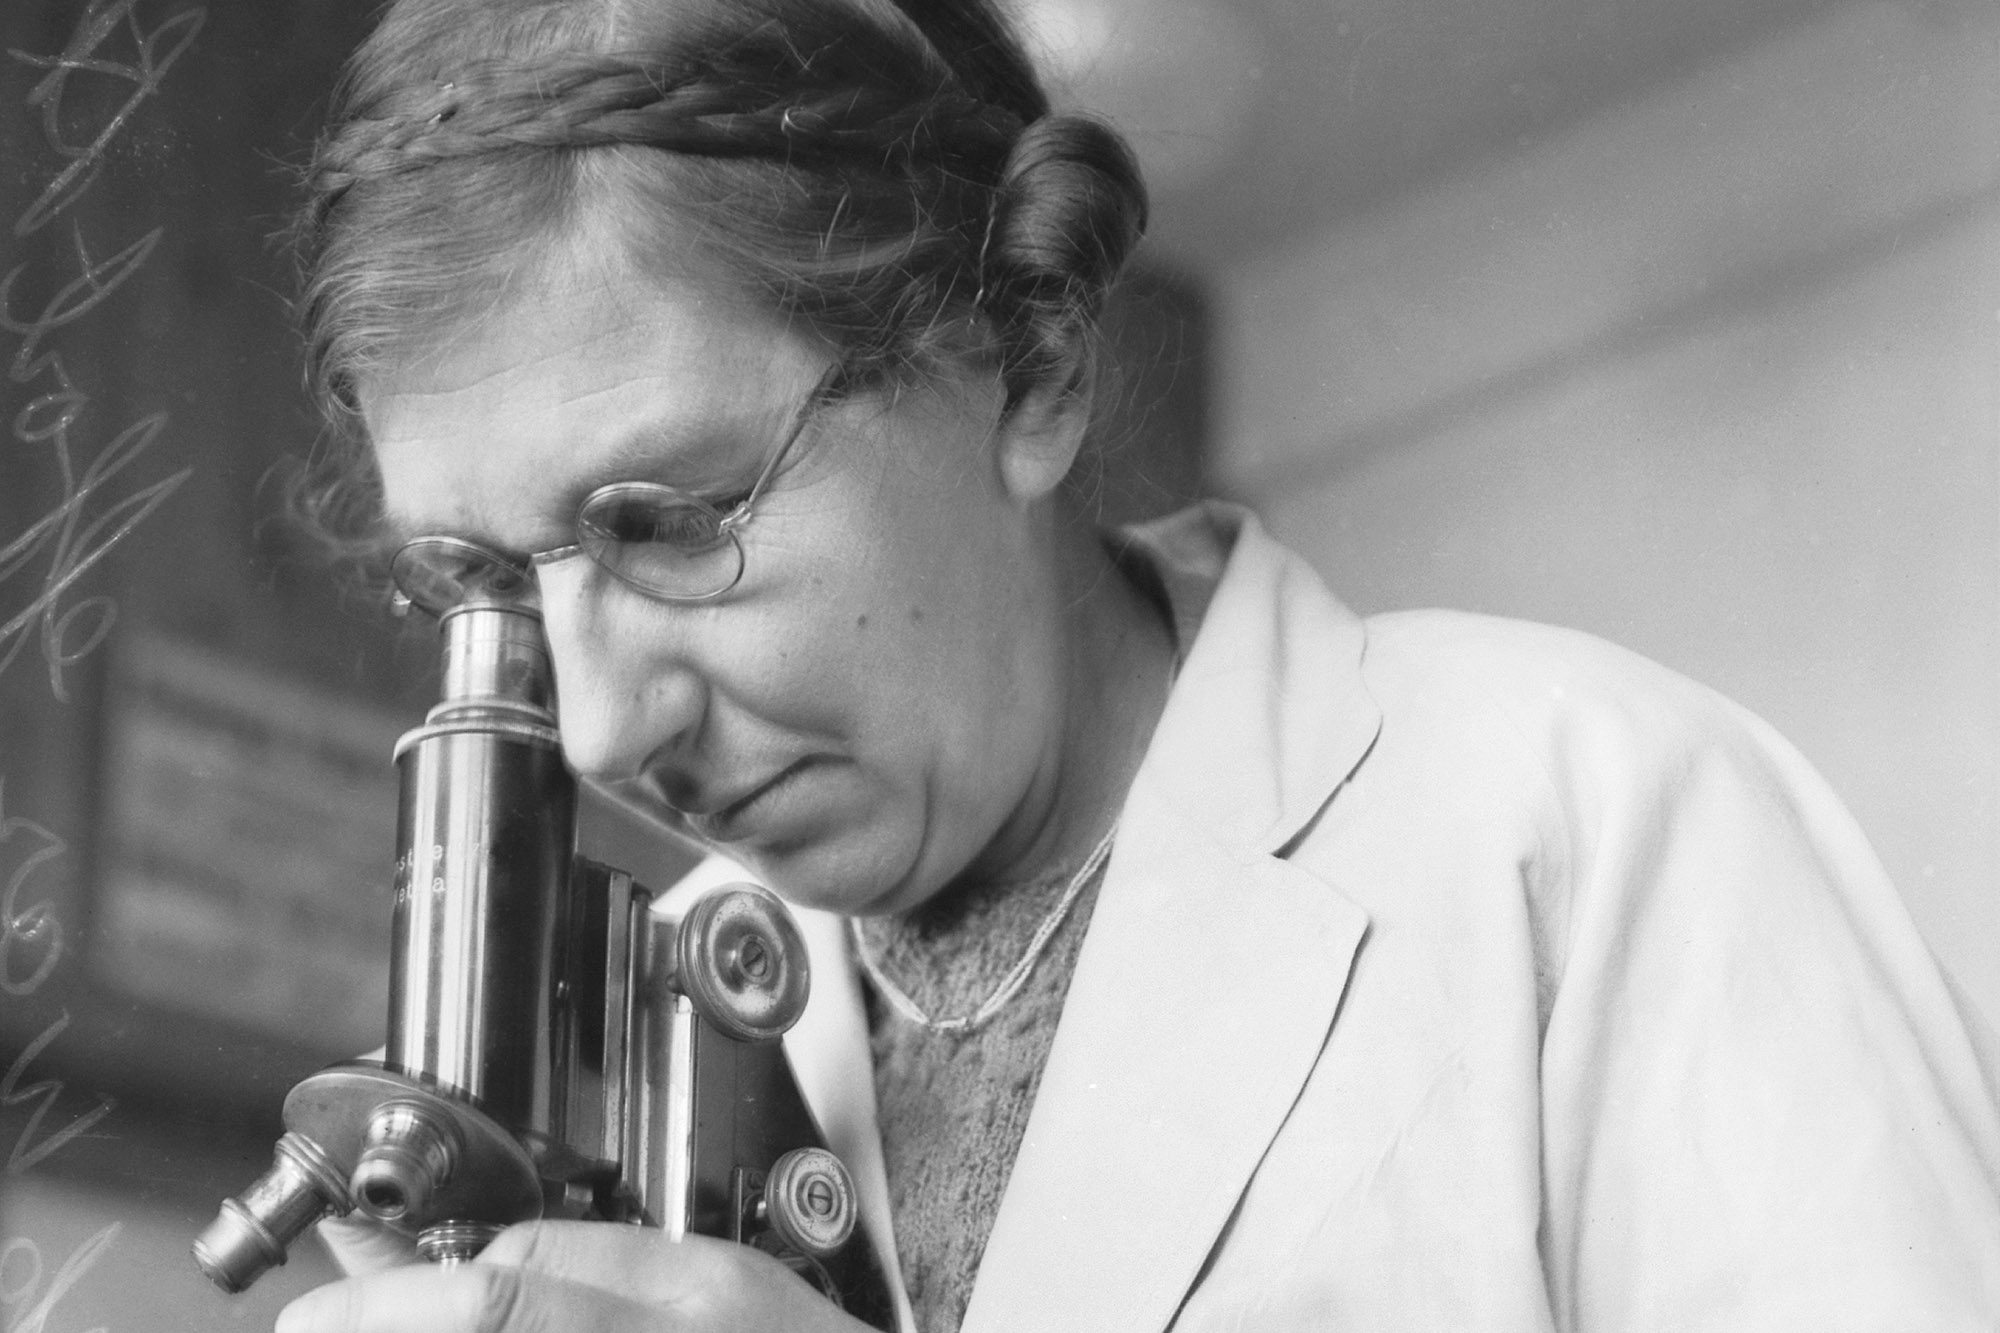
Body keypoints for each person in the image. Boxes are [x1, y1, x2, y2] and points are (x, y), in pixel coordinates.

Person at [271, 0, 2000, 1329]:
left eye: (667, 518)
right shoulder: (667, 1019)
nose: (595, 727)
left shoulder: (1589, 824)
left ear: (1033, 362)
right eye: (485, 582)